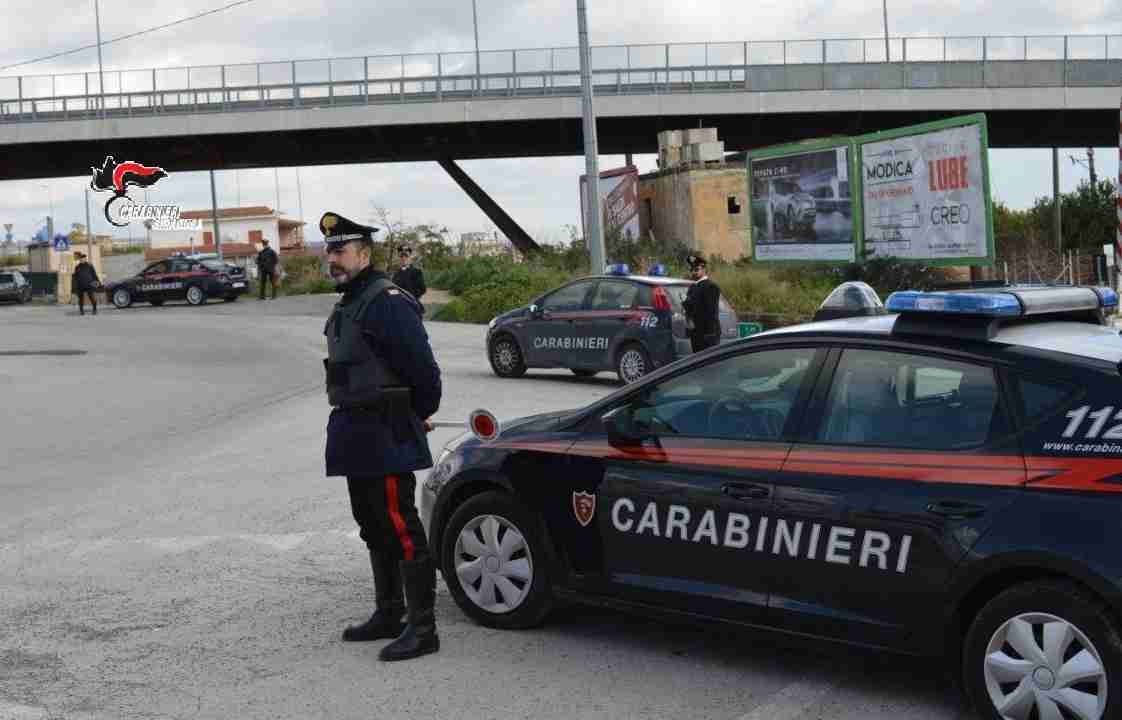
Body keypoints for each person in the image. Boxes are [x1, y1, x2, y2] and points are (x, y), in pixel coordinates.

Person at [320, 211, 443, 662]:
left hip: (386, 431)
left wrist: (414, 414)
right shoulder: (350, 301)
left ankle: (423, 627)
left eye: (340, 250)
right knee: (372, 525)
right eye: (329, 250)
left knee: (401, 526)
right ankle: (388, 613)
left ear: (365, 254)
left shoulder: (386, 300)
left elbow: (425, 375)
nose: (332, 258)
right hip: (356, 432)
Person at [682, 254, 721, 353]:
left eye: (696, 269)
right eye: (692, 270)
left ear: (704, 269)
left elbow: (711, 312)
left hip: (707, 334)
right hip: (695, 333)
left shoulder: (710, 286)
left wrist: (710, 334)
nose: (693, 272)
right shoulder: (693, 287)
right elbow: (690, 308)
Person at [72, 252, 101, 316]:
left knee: (91, 297)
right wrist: (74, 287)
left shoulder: (90, 266)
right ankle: (81, 311)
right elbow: (75, 277)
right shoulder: (77, 267)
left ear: (85, 259)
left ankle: (94, 309)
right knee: (81, 299)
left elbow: (94, 275)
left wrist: (98, 282)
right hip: (80, 285)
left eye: (83, 258)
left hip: (89, 284)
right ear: (79, 259)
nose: (82, 260)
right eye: (81, 259)